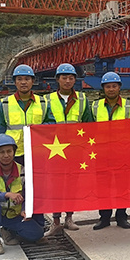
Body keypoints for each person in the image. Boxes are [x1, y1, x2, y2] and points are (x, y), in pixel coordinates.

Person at [42, 63, 92, 236]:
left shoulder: (82, 99)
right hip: (54, 150)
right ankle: (56, 221)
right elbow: (42, 124)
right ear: (58, 79)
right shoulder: (47, 100)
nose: (68, 81)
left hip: (74, 151)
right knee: (56, 185)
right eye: (64, 77)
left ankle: (69, 218)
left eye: (71, 78)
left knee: (72, 184)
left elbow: (89, 124)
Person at [0, 134, 44, 255]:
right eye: (2, 152)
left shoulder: (23, 171)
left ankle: (8, 231)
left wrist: (24, 209)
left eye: (9, 151)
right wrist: (6, 194)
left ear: (14, 152)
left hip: (14, 216)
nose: (6, 155)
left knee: (37, 234)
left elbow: (29, 194)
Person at [91, 71, 130, 230]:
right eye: (108, 86)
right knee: (103, 187)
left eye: (114, 86)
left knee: (122, 187)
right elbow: (89, 129)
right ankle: (104, 217)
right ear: (103, 88)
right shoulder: (95, 106)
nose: (111, 89)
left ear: (119, 87)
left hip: (122, 153)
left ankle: (121, 216)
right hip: (101, 154)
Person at [0, 64, 49, 165]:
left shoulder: (43, 103)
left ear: (33, 81)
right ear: (15, 82)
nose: (23, 82)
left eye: (27, 79)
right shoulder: (6, 103)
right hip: (14, 153)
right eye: (19, 79)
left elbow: (51, 124)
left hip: (37, 151)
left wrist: (37, 129)